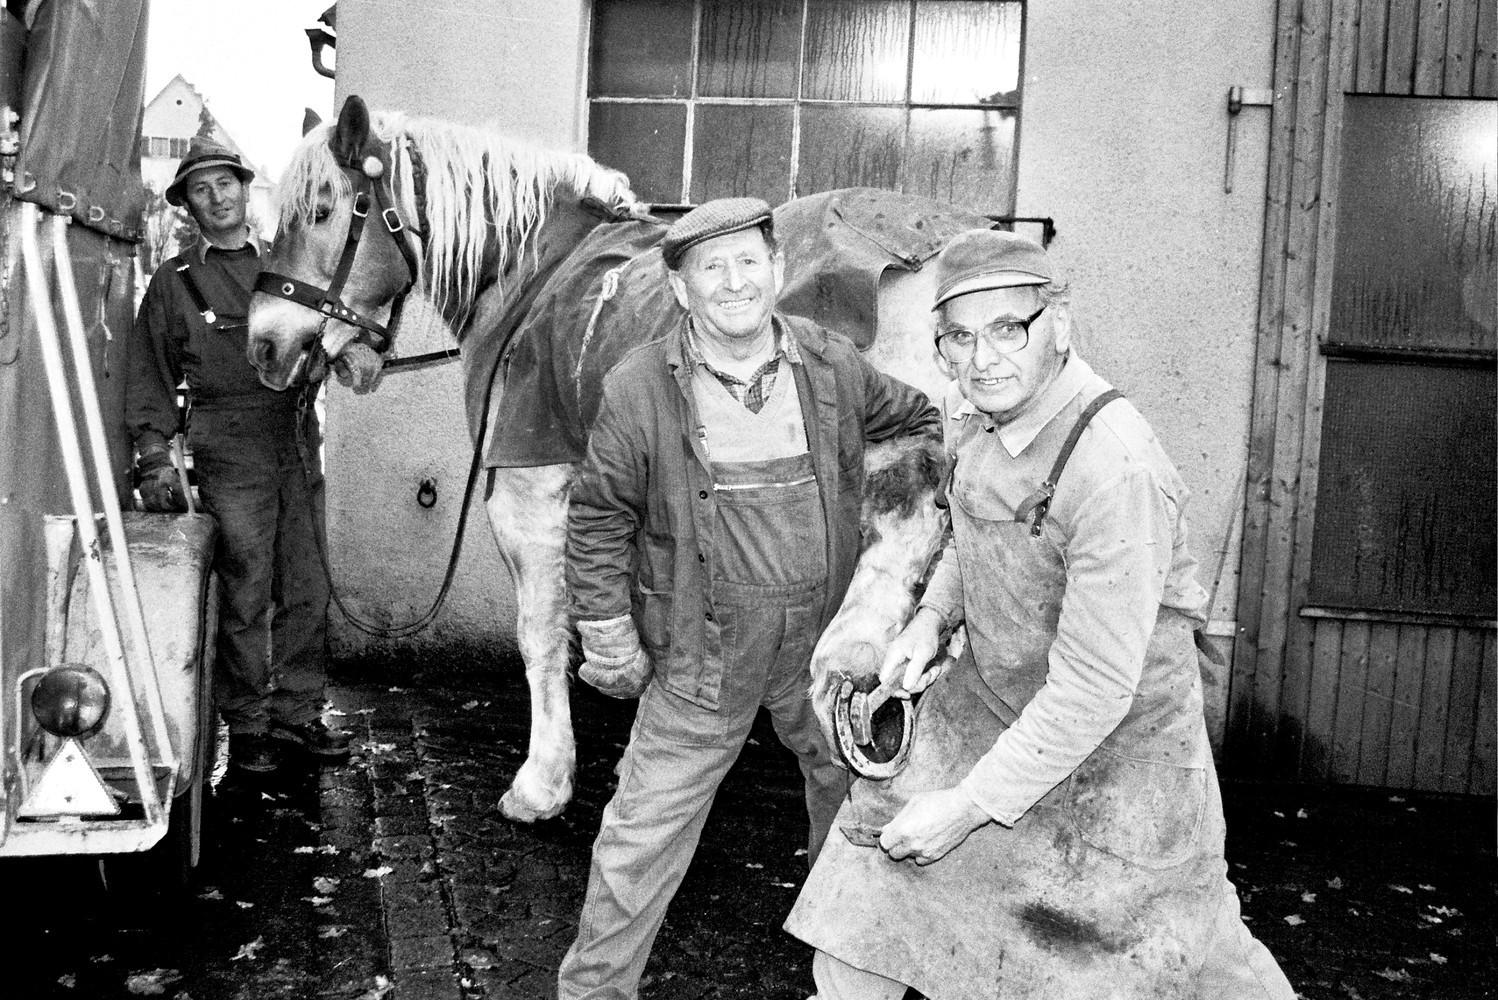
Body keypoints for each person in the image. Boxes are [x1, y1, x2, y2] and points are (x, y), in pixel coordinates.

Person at [785, 229, 1297, 999]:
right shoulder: (979, 413)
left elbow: (1092, 692)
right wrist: (930, 621)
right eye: (959, 337)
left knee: (1177, 965)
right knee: (862, 924)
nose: (983, 358)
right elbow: (970, 522)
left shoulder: (1114, 469)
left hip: (1119, 767)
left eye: (1006, 330)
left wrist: (965, 808)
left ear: (1058, 324)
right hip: (994, 714)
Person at [558, 197, 940, 1000]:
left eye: (748, 262)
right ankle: (594, 991)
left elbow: (920, 417)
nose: (734, 282)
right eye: (711, 268)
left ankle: (848, 968)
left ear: (777, 271)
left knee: (853, 792)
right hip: (705, 647)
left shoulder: (830, 364)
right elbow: (597, 516)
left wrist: (897, 562)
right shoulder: (640, 387)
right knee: (642, 833)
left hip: (817, 644)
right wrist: (605, 630)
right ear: (681, 288)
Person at [126, 137, 349, 777]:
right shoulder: (175, 284)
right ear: (187, 207)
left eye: (226, 183)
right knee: (247, 589)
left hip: (295, 434)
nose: (218, 196)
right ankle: (249, 726)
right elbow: (149, 376)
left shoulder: (285, 264)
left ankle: (299, 711)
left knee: (307, 583)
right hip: (227, 442)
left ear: (246, 189)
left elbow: (325, 331)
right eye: (202, 189)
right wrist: (153, 457)